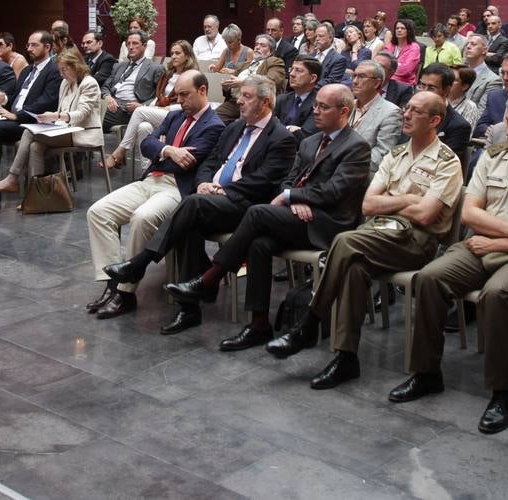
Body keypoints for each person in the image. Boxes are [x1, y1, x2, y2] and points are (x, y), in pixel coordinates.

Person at [395, 92, 508, 433]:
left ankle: (501, 392)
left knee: (496, 295)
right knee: (430, 278)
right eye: (507, 122)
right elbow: (470, 213)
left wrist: (499, 240)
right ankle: (425, 373)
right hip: (483, 245)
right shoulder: (493, 157)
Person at [262, 90, 463, 388]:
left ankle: (309, 323)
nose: (406, 114)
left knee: (344, 241)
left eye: (415, 111)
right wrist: (408, 198)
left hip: (417, 242)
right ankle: (346, 358)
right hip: (378, 231)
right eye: (406, 108)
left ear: (434, 120)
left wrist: (393, 201)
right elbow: (368, 205)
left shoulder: (447, 161)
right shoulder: (396, 154)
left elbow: (425, 216)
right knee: (354, 268)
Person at [167, 84, 372, 350]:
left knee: (257, 212)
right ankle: (259, 324)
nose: (315, 111)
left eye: (323, 107)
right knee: (259, 243)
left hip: (328, 224)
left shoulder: (356, 147)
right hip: (297, 217)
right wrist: (293, 196)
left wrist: (294, 197)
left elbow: (336, 191)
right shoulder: (310, 141)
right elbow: (288, 180)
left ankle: (210, 279)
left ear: (344, 111)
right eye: (316, 105)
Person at [100, 75, 297, 334]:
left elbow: (263, 181)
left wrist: (220, 190)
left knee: (191, 205)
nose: (239, 101)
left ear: (267, 102)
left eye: (247, 96)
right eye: (240, 95)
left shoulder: (281, 137)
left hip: (244, 206)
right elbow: (211, 161)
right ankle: (189, 310)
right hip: (211, 199)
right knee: (188, 224)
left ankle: (140, 263)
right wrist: (204, 182)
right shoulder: (235, 127)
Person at [85, 72, 224, 319]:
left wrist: (162, 152)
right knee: (98, 212)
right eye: (177, 95)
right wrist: (169, 150)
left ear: (203, 90)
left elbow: (189, 162)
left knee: (142, 217)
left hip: (176, 188)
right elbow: (146, 144)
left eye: (185, 95)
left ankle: (125, 294)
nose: (179, 100)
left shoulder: (214, 126)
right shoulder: (174, 116)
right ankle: (112, 283)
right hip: (150, 180)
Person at [0, 48, 104, 195]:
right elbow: (62, 112)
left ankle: (12, 178)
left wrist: (55, 116)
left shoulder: (89, 83)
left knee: (29, 133)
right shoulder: (65, 84)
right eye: (60, 70)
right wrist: (50, 118)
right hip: (66, 129)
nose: (61, 74)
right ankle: (36, 196)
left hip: (84, 133)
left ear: (75, 66)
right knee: (35, 146)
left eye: (64, 70)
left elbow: (82, 114)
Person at [0, 30, 63, 197]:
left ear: (47, 47)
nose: (29, 48)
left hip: (34, 122)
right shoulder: (26, 71)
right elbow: (16, 98)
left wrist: (17, 115)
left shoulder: (54, 71)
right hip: (15, 118)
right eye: (28, 45)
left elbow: (47, 101)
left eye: (34, 45)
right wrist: (3, 101)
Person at [105, 39, 195, 170]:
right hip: (163, 112)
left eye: (178, 53)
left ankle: (121, 150)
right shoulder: (168, 74)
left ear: (187, 55)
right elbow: (158, 96)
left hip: (180, 115)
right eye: (172, 53)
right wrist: (154, 106)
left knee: (140, 111)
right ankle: (147, 171)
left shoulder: (191, 76)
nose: (174, 56)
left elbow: (189, 103)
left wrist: (160, 107)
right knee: (143, 127)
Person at [100, 30, 164, 132]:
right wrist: (107, 97)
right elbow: (105, 87)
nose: (130, 47)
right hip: (111, 104)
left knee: (92, 115)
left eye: (135, 43)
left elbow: (160, 96)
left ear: (145, 46)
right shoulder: (119, 66)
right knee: (90, 108)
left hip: (129, 109)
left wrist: (142, 106)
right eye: (128, 44)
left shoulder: (155, 68)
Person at [215, 33, 287, 122]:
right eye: (256, 44)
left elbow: (271, 81)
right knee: (212, 119)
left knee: (238, 124)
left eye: (262, 45)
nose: (257, 47)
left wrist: (243, 83)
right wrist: (227, 88)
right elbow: (230, 91)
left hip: (256, 103)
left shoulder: (275, 62)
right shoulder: (244, 65)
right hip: (235, 102)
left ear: (271, 51)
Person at [346, 61, 403, 168]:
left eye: (361, 77)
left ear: (377, 83)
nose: (354, 81)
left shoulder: (391, 112)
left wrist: (345, 162)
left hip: (357, 171)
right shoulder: (348, 105)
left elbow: (381, 154)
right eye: (354, 76)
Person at [275, 56, 321, 137]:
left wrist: (278, 128)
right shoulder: (281, 99)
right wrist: (289, 128)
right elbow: (267, 127)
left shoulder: (319, 104)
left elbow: (305, 135)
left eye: (298, 71)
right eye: (291, 69)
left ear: (313, 78)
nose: (292, 74)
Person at [308, 22, 347, 87]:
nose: (317, 39)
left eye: (320, 36)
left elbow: (331, 81)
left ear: (330, 38)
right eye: (316, 36)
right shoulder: (309, 56)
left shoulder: (339, 59)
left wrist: (308, 87)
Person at [388, 18, 421, 86]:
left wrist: (389, 69)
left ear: (408, 31)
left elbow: (406, 70)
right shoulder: (390, 46)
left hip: (405, 85)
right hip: (388, 82)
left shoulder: (414, 48)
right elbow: (382, 64)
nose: (399, 30)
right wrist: (399, 65)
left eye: (402, 28)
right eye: (397, 28)